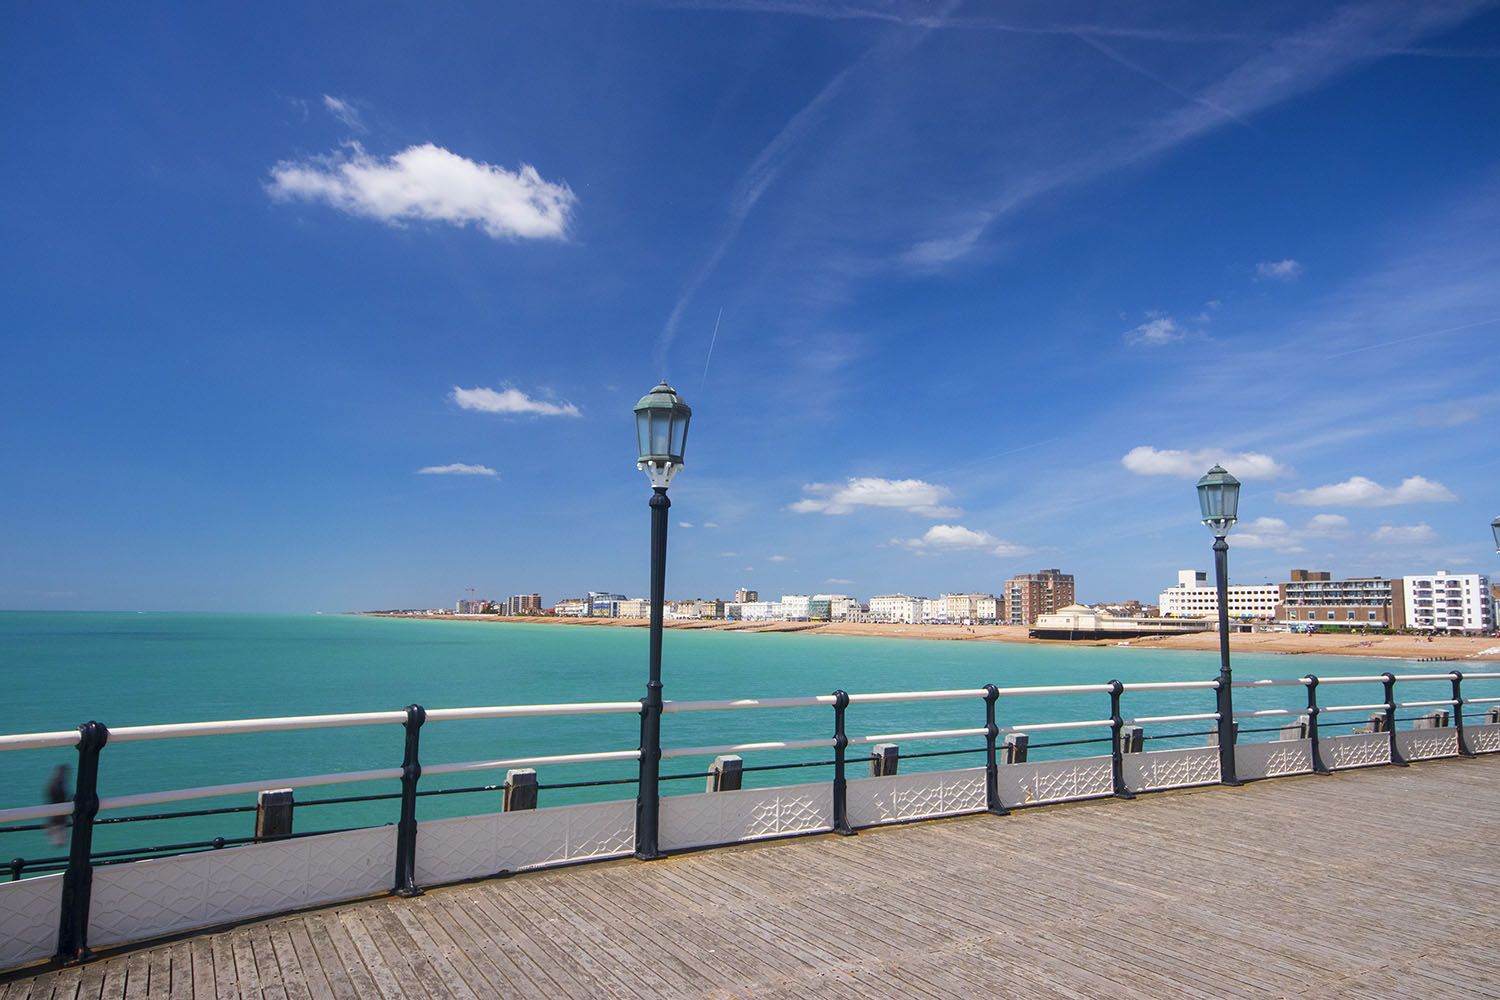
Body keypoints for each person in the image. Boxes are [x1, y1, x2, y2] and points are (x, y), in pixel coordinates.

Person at [45, 765, 70, 846]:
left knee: (59, 840)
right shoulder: (57, 784)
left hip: (57, 815)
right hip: (58, 816)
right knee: (59, 840)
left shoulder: (55, 783)